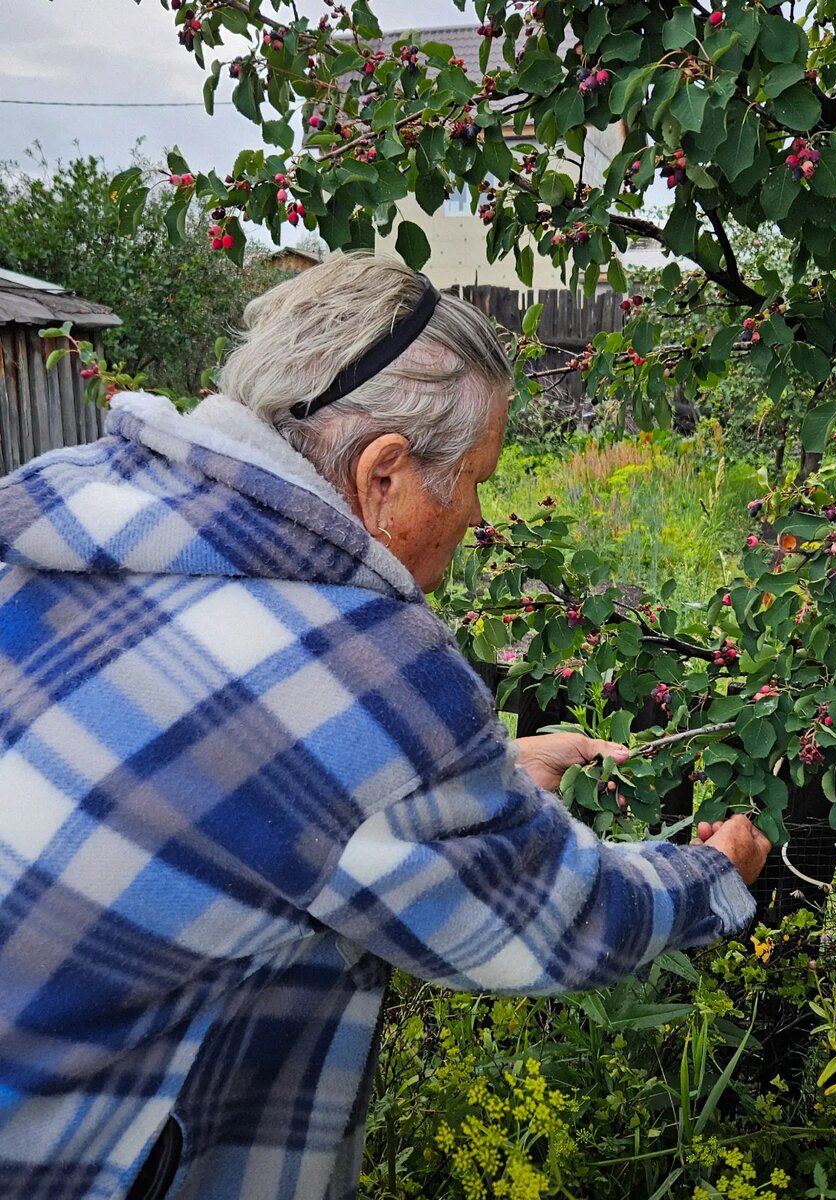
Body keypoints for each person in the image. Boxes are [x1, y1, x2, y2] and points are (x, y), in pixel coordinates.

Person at [0, 252, 770, 1200]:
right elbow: (553, 920)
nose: (481, 513)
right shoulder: (375, 674)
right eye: (478, 479)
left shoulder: (71, 501)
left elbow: (227, 777)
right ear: (384, 474)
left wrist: (472, 780)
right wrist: (709, 877)